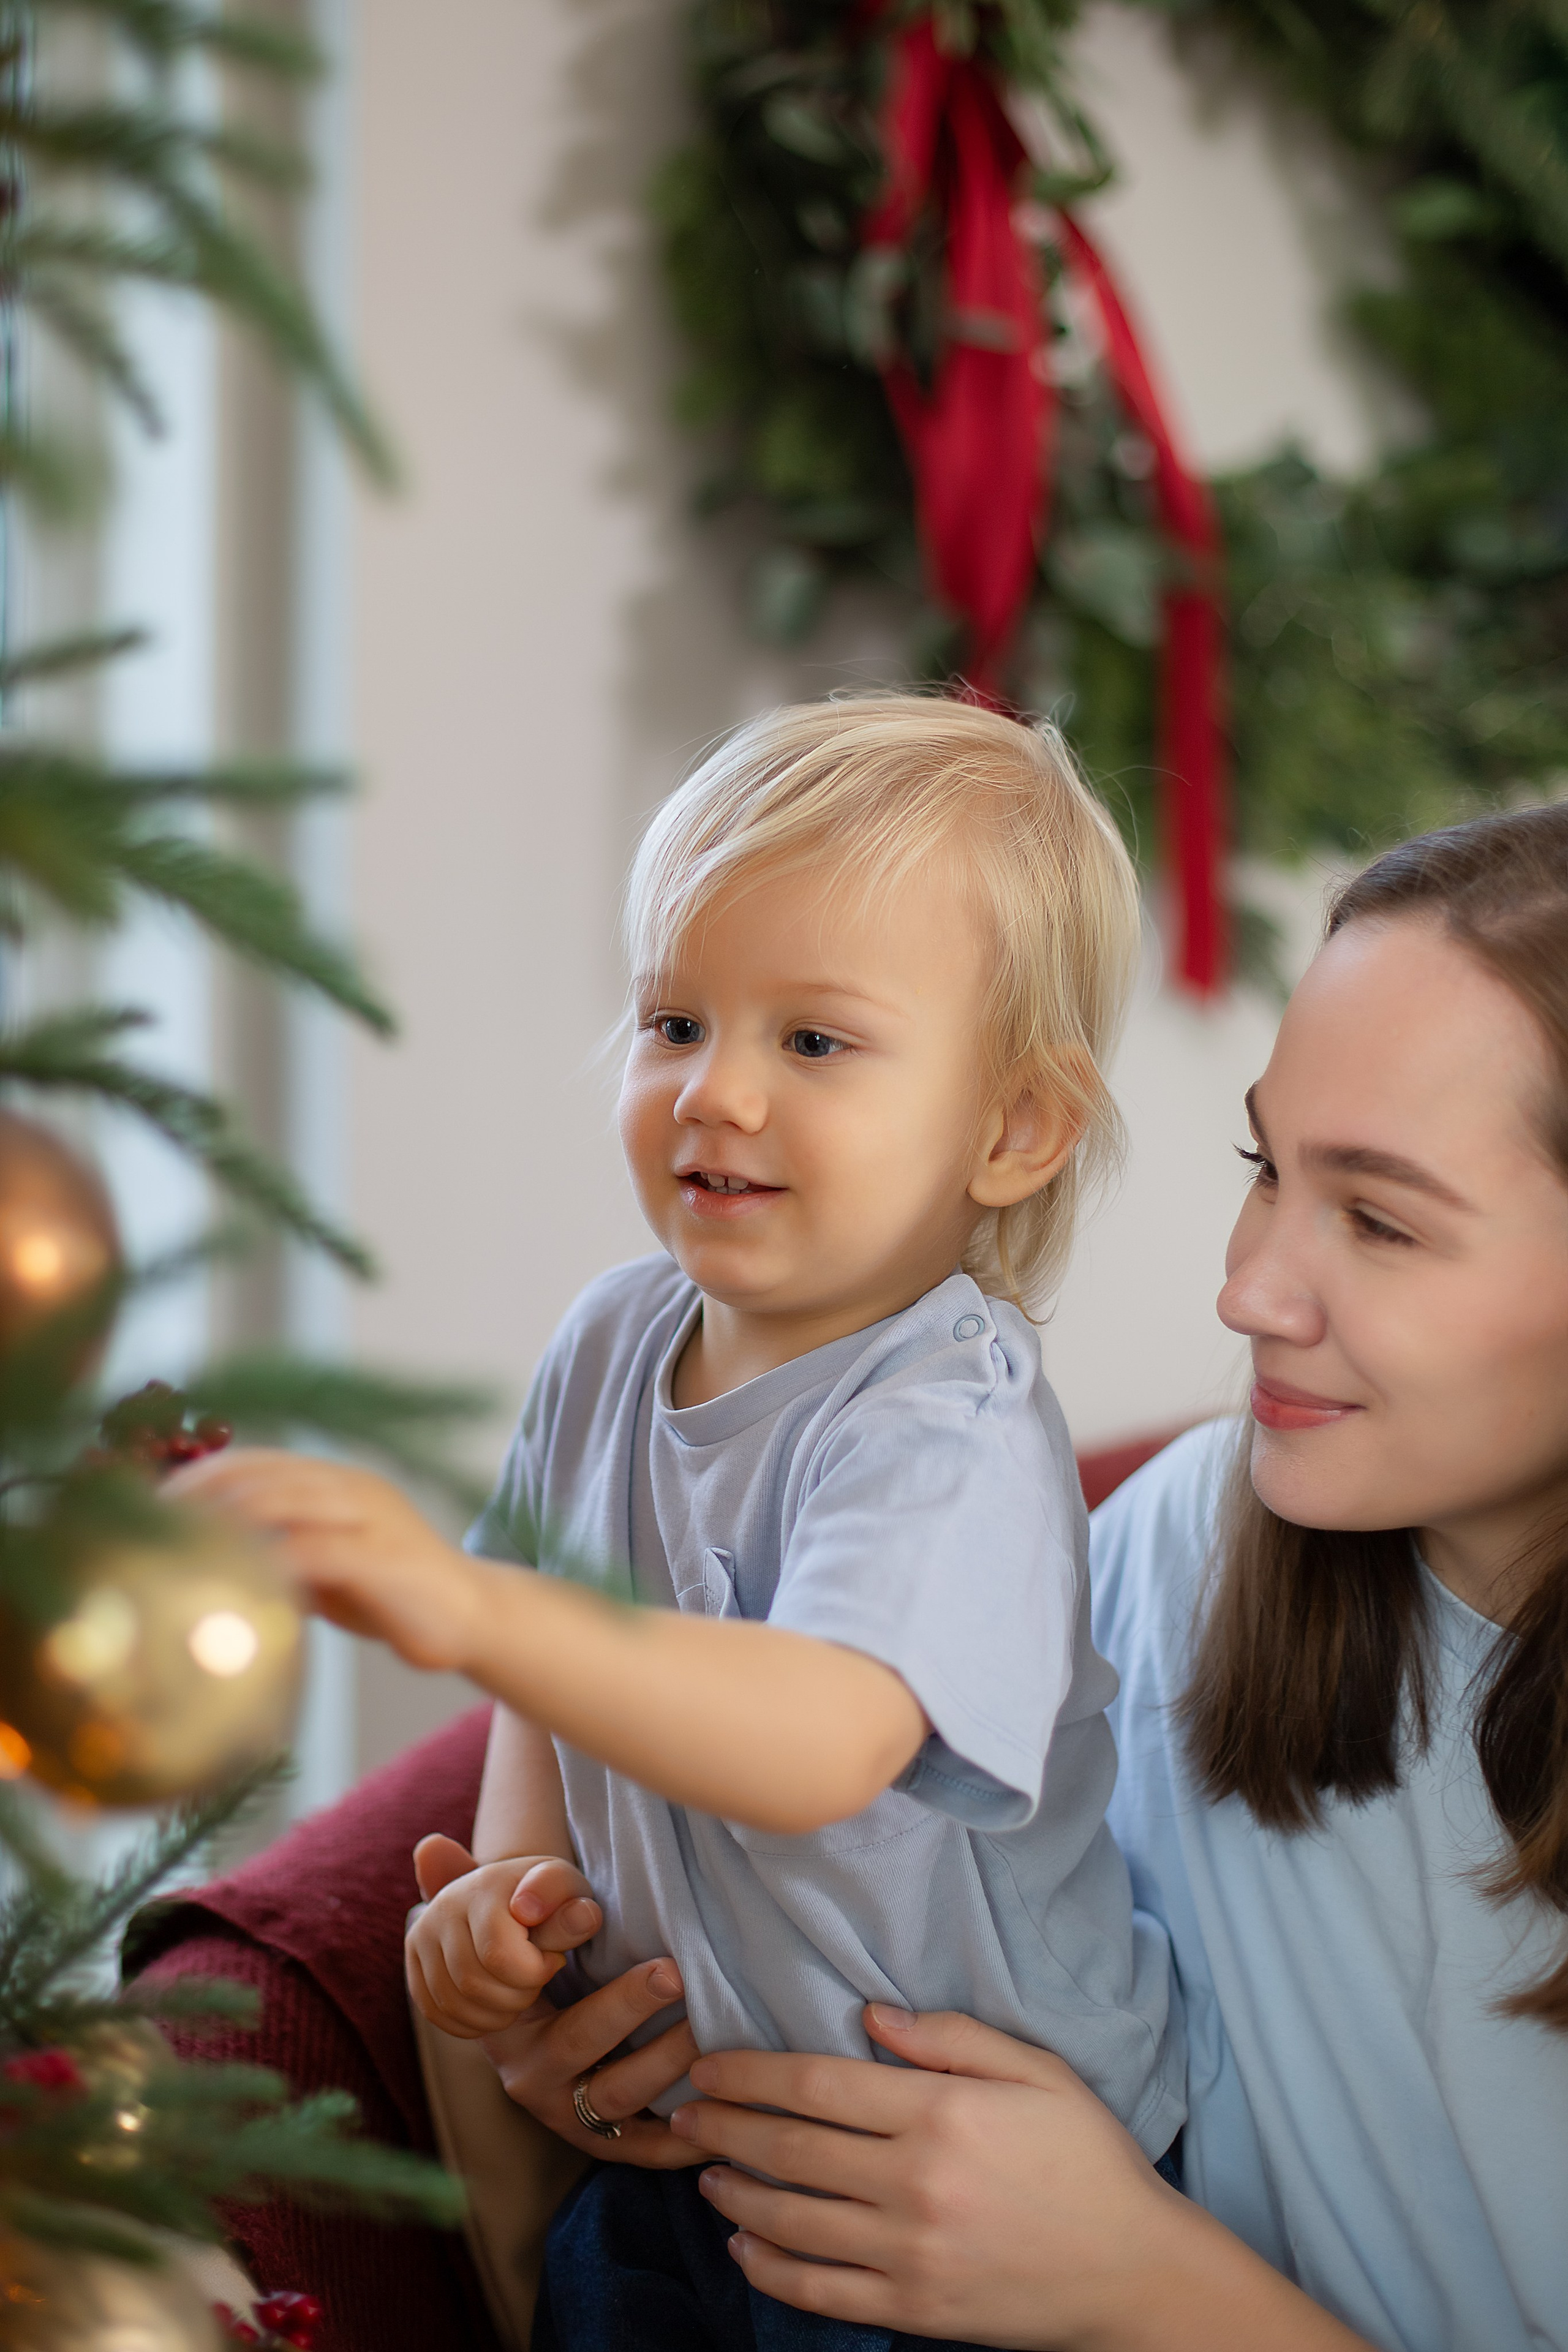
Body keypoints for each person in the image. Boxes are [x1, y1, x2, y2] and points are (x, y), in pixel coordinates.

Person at [484, 801, 1563, 2352]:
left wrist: (1149, 2291)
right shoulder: (1195, 1535)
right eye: (1265, 1167)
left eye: (1380, 1221)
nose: (1243, 1288)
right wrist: (546, 2014)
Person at [176, 698, 1185, 2352]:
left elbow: (821, 1738)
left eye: (814, 1043)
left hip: (967, 2217)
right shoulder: (610, 1341)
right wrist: (503, 1922)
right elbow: (549, 1733)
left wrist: (465, 1604)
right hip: (692, 2163)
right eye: (673, 1022)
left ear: (1012, 1130)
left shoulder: (950, 1416)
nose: (714, 1093)